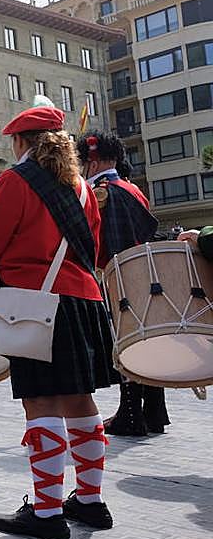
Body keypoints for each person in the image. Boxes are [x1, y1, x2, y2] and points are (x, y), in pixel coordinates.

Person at [0, 102, 116, 539]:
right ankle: (90, 501)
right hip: (83, 299)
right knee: (80, 400)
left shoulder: (15, 179)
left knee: (40, 401)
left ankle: (46, 512)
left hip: (36, 303)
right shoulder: (82, 187)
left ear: (21, 142)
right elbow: (95, 250)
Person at [71, 130, 163, 436]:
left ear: (93, 162)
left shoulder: (99, 192)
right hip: (145, 275)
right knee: (146, 341)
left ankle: (131, 415)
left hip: (114, 276)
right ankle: (154, 412)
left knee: (123, 343)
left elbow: (94, 241)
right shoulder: (133, 189)